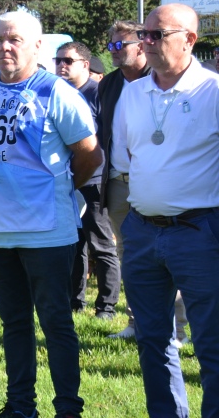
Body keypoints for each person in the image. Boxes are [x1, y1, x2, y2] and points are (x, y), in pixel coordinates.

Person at [0, 10, 101, 418]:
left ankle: (68, 409)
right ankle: (20, 406)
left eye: (16, 39)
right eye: (0, 39)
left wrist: (60, 188)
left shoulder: (56, 91)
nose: (6, 46)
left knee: (56, 324)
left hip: (47, 230)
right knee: (14, 325)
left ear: (37, 46)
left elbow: (90, 153)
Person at [114, 3, 219, 418]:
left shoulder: (212, 93)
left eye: (158, 35)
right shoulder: (133, 92)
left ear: (189, 40)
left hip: (199, 231)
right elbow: (123, 160)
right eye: (145, 34)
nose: (147, 43)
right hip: (142, 230)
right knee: (152, 340)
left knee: (211, 342)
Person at [54, 41, 119, 320]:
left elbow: (106, 141)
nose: (61, 65)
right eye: (58, 60)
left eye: (68, 60)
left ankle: (106, 306)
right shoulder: (58, 94)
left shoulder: (97, 93)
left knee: (102, 245)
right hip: (67, 182)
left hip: (93, 182)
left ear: (85, 64)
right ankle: (75, 301)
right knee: (74, 245)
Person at [97, 20, 151, 340]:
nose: (113, 52)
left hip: (153, 183)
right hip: (117, 183)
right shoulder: (109, 84)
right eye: (111, 46)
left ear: (141, 45)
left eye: (120, 46)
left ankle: (179, 327)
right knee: (127, 255)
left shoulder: (157, 80)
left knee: (166, 254)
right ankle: (135, 323)